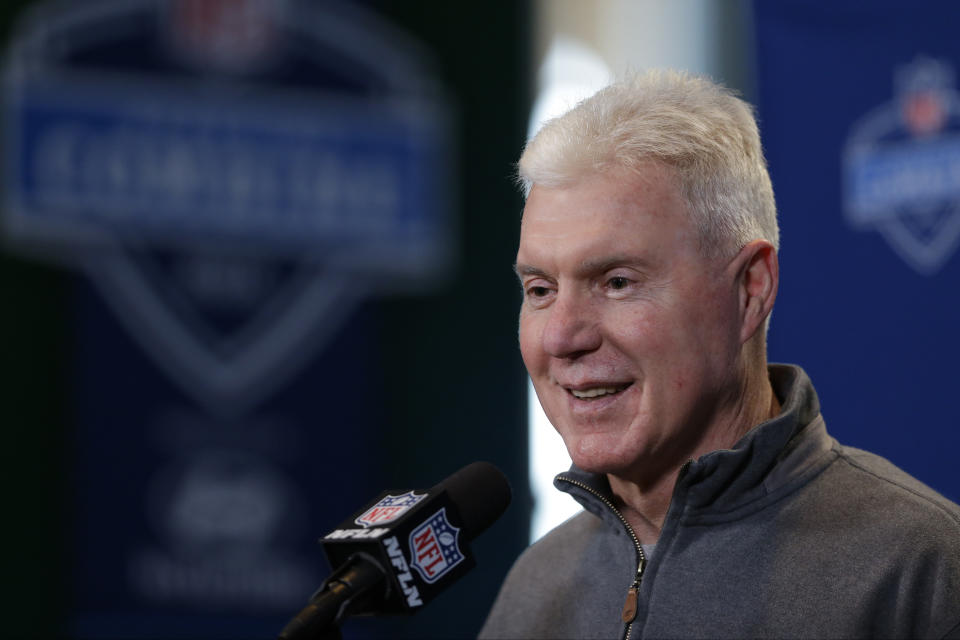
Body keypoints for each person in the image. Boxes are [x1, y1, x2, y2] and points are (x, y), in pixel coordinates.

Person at [479, 70, 960, 639]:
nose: (562, 337)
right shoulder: (536, 588)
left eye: (617, 282)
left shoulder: (922, 568)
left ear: (749, 290)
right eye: (540, 290)